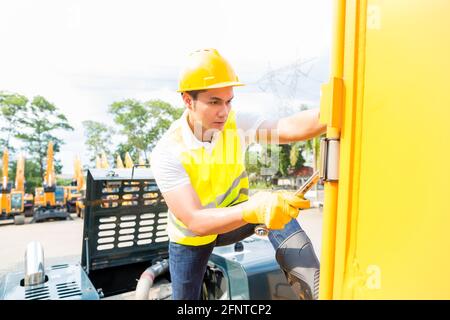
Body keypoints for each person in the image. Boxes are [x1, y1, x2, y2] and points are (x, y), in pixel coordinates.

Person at [150, 48, 326, 300]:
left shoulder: (234, 123)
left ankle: (316, 292)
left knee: (277, 212)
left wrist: (329, 112)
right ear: (188, 100)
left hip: (232, 219)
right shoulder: (168, 151)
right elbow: (196, 221)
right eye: (214, 102)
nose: (224, 111)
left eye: (228, 100)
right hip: (191, 238)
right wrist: (253, 208)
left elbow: (286, 127)